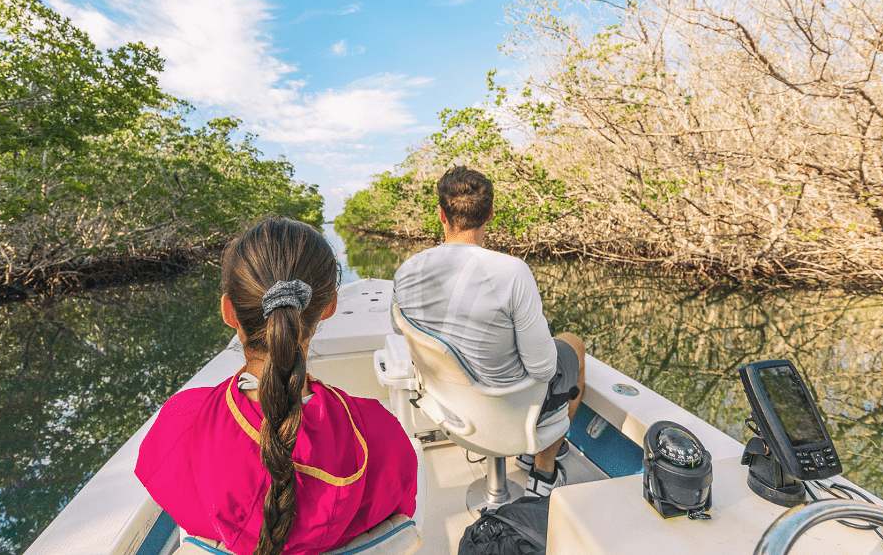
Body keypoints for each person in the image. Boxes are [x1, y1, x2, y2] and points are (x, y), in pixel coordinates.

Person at [136, 217, 417, 555]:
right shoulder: (378, 433)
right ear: (329, 307)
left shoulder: (182, 424)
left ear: (229, 311)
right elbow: (401, 508)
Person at [392, 166, 585, 498]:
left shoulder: (406, 270)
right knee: (573, 344)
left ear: (441, 214)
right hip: (510, 414)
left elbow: (399, 330)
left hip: (451, 411)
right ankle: (543, 469)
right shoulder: (513, 272)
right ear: (490, 213)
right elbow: (542, 370)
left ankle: (535, 454)